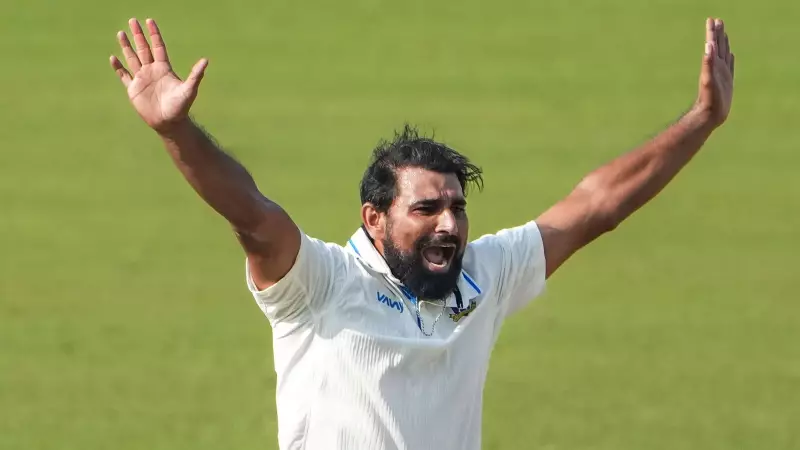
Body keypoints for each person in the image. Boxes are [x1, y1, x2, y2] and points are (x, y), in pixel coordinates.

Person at [109, 16, 735, 450]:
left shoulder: (484, 276)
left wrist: (702, 120)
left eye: (457, 208)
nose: (449, 224)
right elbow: (250, 214)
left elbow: (596, 205)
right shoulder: (320, 284)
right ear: (374, 218)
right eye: (427, 209)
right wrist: (177, 132)